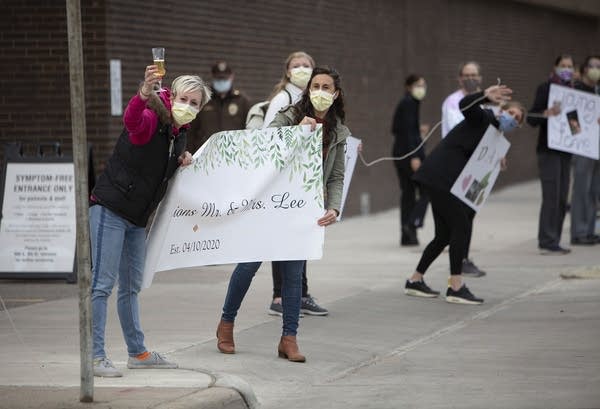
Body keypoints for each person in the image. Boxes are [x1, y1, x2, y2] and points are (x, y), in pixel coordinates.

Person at [216, 66, 349, 362]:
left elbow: (336, 176)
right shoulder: (290, 114)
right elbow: (265, 143)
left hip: (303, 208)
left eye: (327, 87)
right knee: (248, 265)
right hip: (270, 203)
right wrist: (295, 131)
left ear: (335, 94)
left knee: (293, 276)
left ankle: (289, 338)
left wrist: (335, 206)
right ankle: (226, 324)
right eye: (316, 85)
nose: (320, 92)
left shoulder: (339, 131)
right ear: (308, 89)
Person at [89, 65, 211, 377]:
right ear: (173, 96)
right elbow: (133, 123)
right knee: (102, 284)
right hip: (110, 208)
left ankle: (138, 353)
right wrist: (143, 93)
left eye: (195, 103)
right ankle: (94, 356)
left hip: (136, 219)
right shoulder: (154, 116)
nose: (188, 106)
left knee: (131, 287)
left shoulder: (179, 135)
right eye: (184, 98)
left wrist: (181, 161)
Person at [405, 84, 525, 304]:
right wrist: (485, 96)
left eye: (517, 119)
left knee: (443, 235)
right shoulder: (485, 118)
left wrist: (495, 161)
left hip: (445, 182)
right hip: (441, 177)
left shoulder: (496, 139)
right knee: (460, 225)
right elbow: (465, 106)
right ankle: (456, 285)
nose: (513, 119)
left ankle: (415, 280)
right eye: (511, 113)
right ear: (502, 110)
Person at [259, 51, 328, 317]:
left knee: (301, 236)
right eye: (296, 66)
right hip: (283, 179)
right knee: (283, 237)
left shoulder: (310, 99)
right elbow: (268, 137)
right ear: (287, 72)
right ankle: (280, 296)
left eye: (306, 65)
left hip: (302, 179)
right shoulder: (283, 99)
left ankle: (300, 293)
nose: (301, 69)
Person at [440, 61, 487, 277]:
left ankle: (464, 257)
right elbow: (459, 129)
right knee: (460, 216)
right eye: (466, 74)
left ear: (480, 77)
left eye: (474, 74)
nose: (470, 78)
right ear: (460, 78)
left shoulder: (488, 101)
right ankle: (460, 259)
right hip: (459, 166)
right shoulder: (452, 102)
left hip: (480, 166)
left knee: (470, 213)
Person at [527, 54, 575, 254]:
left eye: (569, 66)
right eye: (562, 65)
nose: (566, 69)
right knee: (551, 196)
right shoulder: (545, 89)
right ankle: (546, 240)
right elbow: (531, 117)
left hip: (566, 149)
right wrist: (546, 114)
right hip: (548, 150)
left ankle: (554, 238)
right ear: (555, 68)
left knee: (563, 197)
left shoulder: (574, 92)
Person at [391, 74, 429, 246]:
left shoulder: (410, 103)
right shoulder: (408, 103)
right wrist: (414, 156)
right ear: (409, 87)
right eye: (418, 85)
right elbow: (405, 132)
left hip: (401, 152)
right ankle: (412, 223)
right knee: (426, 188)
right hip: (408, 154)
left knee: (408, 193)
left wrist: (418, 130)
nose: (421, 88)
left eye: (423, 85)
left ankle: (407, 235)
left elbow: (397, 128)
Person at [187, 60, 250, 154]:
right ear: (212, 77)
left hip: (234, 155)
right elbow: (191, 131)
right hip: (205, 155)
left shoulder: (242, 101)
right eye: (219, 79)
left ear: (231, 77)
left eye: (224, 79)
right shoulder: (202, 99)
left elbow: (248, 130)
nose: (221, 82)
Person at [570, 55, 600, 245]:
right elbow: (569, 117)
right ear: (583, 70)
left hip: (597, 146)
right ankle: (578, 232)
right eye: (592, 66)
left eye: (599, 66)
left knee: (594, 190)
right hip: (582, 146)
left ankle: (590, 230)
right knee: (581, 189)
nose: (595, 69)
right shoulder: (575, 91)